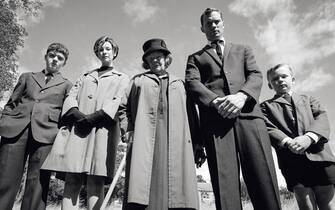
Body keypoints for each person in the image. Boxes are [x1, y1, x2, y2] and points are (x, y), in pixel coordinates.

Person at [185, 8, 282, 210]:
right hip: (216, 124)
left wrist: (241, 96)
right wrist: (216, 102)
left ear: (223, 23)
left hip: (250, 119)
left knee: (262, 175)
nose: (213, 26)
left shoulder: (244, 49)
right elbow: (192, 84)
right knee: (224, 182)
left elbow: (255, 75)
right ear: (202, 28)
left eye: (217, 21)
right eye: (208, 23)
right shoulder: (195, 58)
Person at [41, 36, 129, 210]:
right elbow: (71, 96)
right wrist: (78, 115)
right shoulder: (85, 76)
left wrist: (94, 117)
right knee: (72, 178)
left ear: (115, 52)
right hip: (78, 131)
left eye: (108, 48)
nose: (104, 52)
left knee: (96, 180)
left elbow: (119, 101)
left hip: (102, 132)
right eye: (101, 49)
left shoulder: (123, 78)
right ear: (97, 53)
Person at [119, 38, 199, 210]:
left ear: (166, 58)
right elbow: (123, 108)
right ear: (146, 61)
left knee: (179, 185)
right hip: (143, 139)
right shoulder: (137, 81)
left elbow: (192, 115)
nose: (155, 59)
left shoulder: (180, 84)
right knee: (143, 183)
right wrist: (128, 129)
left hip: (177, 142)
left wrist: (198, 144)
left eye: (159, 56)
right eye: (151, 57)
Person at [0, 43, 72, 210]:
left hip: (46, 136)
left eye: (60, 58)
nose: (55, 60)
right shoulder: (27, 77)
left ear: (64, 63)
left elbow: (66, 115)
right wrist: (5, 122)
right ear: (46, 56)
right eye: (52, 56)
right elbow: (11, 103)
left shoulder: (67, 85)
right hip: (15, 131)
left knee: (37, 183)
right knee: (4, 178)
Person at [260, 63, 335, 210]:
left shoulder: (309, 99)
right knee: (305, 203)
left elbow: (322, 118)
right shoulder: (265, 107)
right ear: (269, 85)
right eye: (275, 79)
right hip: (292, 160)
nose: (280, 80)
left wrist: (308, 138)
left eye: (284, 76)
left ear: (293, 80)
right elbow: (266, 126)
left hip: (320, 156)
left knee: (328, 203)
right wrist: (288, 142)